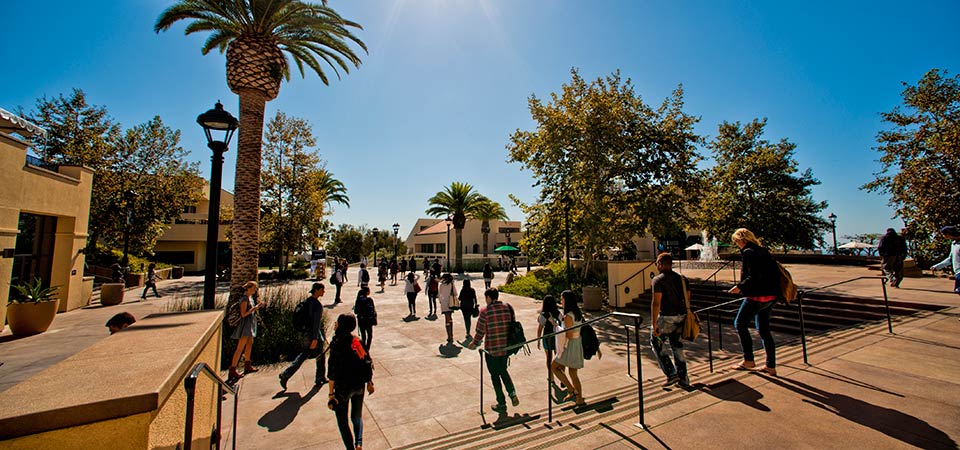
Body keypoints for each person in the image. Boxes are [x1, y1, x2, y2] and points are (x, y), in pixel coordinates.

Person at [727, 228, 779, 376]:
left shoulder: (748, 252)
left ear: (741, 240)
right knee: (764, 330)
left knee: (740, 324)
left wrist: (739, 287)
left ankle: (749, 360)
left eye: (736, 242)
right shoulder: (762, 250)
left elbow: (754, 276)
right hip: (770, 296)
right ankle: (771, 365)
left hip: (756, 296)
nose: (737, 245)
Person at [467, 288, 519, 413]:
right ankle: (512, 393)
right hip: (506, 347)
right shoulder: (508, 307)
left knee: (495, 375)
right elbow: (513, 324)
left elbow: (480, 331)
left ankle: (501, 402)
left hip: (492, 349)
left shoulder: (485, 311)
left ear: (489, 297)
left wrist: (474, 343)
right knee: (503, 370)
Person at [327, 313, 375, 450]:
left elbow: (332, 372)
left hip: (342, 389)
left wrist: (331, 394)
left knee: (342, 421)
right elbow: (366, 361)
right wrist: (369, 382)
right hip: (359, 385)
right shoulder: (356, 342)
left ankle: (350, 448)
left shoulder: (336, 344)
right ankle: (358, 443)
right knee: (357, 416)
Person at [650, 252, 691, 387]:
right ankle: (683, 378)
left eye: (657, 264)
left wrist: (654, 323)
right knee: (677, 346)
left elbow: (656, 303)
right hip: (682, 316)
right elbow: (688, 299)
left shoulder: (658, 280)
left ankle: (671, 373)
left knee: (656, 341)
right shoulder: (682, 279)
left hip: (667, 317)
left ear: (660, 264)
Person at [279, 283, 327, 390]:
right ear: (317, 290)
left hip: (304, 332)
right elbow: (316, 323)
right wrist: (315, 338)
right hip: (312, 334)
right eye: (322, 290)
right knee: (308, 354)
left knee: (316, 354)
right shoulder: (317, 305)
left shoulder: (307, 301)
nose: (324, 292)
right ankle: (286, 374)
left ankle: (320, 376)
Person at [552, 290, 587, 406]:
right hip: (577, 343)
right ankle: (579, 397)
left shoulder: (568, 316)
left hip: (570, 345)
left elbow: (570, 334)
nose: (561, 301)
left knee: (554, 366)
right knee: (573, 373)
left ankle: (571, 390)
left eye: (562, 299)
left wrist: (558, 329)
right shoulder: (577, 313)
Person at [229, 281, 263, 382]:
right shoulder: (244, 299)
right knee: (240, 347)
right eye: (254, 288)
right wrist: (255, 308)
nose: (255, 290)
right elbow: (243, 314)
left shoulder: (250, 298)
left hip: (250, 323)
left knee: (249, 344)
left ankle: (247, 364)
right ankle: (233, 369)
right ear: (249, 288)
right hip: (245, 325)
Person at [931, 226, 960, 295]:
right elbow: (950, 259)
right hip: (957, 272)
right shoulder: (954, 244)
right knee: (958, 290)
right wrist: (937, 266)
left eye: (944, 234)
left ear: (949, 234)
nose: (943, 236)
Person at [536, 295, 560, 371]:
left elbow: (540, 329)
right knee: (558, 358)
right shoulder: (558, 313)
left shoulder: (543, 315)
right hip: (557, 337)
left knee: (549, 358)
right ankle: (561, 375)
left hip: (547, 338)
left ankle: (551, 377)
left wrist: (538, 340)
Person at [354, 286, 377, 351]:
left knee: (363, 337)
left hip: (361, 321)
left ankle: (363, 350)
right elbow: (373, 310)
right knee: (369, 336)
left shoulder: (358, 300)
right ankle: (367, 350)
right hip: (368, 321)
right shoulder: (369, 300)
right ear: (367, 292)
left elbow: (356, 311)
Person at [438, 273, 458, 345]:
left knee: (446, 319)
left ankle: (449, 335)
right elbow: (455, 293)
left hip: (444, 303)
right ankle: (451, 334)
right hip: (451, 302)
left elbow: (439, 294)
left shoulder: (441, 285)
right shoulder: (451, 284)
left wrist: (440, 301)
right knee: (450, 318)